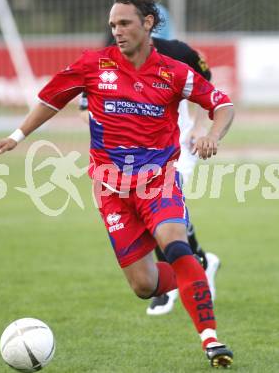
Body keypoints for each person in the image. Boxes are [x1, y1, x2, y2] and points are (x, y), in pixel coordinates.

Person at [0, 0, 235, 368]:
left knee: (176, 244)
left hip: (159, 181)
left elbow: (222, 104)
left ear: (148, 23)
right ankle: (195, 276)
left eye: (124, 23)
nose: (117, 31)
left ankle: (212, 340)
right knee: (144, 285)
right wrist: (16, 136)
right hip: (111, 189)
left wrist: (212, 135)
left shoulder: (175, 70)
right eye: (112, 24)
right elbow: (51, 98)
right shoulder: (93, 65)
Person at [80, 37, 221, 316]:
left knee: (160, 210)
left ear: (146, 24)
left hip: (177, 143)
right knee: (163, 215)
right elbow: (86, 110)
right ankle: (200, 262)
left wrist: (199, 126)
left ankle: (173, 284)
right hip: (130, 153)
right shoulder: (104, 59)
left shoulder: (176, 52)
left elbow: (208, 87)